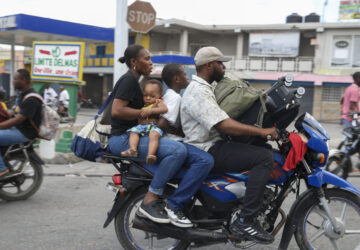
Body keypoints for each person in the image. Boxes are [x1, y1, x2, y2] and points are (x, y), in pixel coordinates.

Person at [180, 46, 277, 244]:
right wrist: (262, 132)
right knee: (264, 158)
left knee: (264, 151)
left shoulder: (207, 88)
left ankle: (242, 203)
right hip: (207, 148)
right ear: (209, 65)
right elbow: (224, 124)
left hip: (213, 144)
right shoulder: (198, 91)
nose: (223, 67)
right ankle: (246, 220)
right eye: (220, 63)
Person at [108, 44, 187, 224]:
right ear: (134, 62)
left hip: (129, 136)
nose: (151, 63)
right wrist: (144, 113)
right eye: (146, 59)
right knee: (178, 151)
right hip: (122, 139)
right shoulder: (129, 80)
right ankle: (151, 199)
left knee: (180, 151)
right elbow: (117, 111)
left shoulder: (134, 81)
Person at [157, 63, 214, 228]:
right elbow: (162, 123)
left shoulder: (171, 95)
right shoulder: (175, 97)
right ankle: (175, 204)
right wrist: (178, 133)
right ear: (176, 78)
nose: (187, 77)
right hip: (173, 143)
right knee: (205, 160)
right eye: (184, 74)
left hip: (174, 140)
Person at [0, 69, 42, 180]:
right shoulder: (23, 95)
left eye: (15, 79)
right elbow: (15, 113)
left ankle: (2, 170)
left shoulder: (32, 98)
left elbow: (19, 119)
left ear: (23, 80)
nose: (13, 81)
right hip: (19, 129)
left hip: (25, 133)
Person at [121, 79, 168, 165]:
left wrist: (151, 111)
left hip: (153, 126)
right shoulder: (144, 104)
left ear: (159, 96)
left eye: (152, 96)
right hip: (142, 127)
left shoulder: (158, 102)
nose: (148, 98)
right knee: (133, 132)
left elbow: (164, 109)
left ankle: (151, 155)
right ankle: (133, 149)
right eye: (145, 95)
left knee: (153, 136)